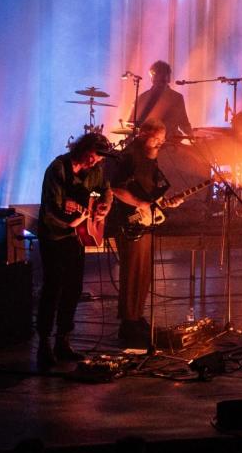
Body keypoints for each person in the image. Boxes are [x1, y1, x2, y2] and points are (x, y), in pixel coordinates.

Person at [36, 132, 112, 369]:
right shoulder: (58, 169)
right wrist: (74, 221)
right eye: (93, 156)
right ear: (84, 148)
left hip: (76, 239)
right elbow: (53, 210)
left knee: (73, 288)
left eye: (99, 159)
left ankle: (63, 341)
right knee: (53, 288)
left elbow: (105, 191)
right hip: (54, 235)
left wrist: (103, 209)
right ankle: (44, 344)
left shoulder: (96, 170)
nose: (96, 161)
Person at [108, 119, 170, 347]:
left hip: (145, 222)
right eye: (156, 139)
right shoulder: (129, 156)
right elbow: (116, 187)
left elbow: (150, 188)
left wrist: (159, 202)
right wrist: (140, 204)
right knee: (132, 271)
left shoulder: (149, 159)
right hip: (129, 222)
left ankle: (136, 317)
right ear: (144, 135)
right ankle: (127, 323)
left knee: (143, 272)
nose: (159, 144)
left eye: (162, 140)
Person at [133, 60, 192, 137]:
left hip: (168, 143)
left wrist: (195, 137)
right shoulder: (141, 98)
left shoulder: (176, 98)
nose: (159, 79)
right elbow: (133, 125)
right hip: (151, 144)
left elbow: (184, 124)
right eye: (157, 75)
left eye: (162, 75)